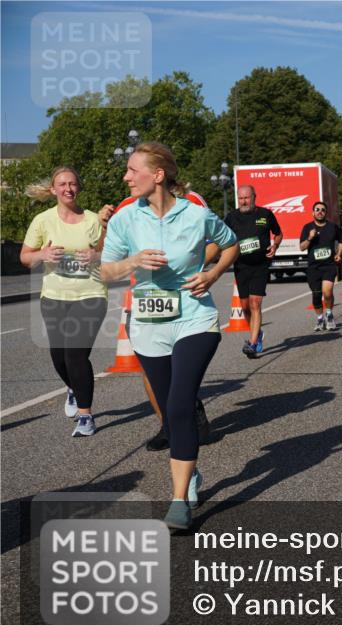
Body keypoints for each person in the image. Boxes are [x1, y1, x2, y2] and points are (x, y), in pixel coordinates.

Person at [100, 141, 238, 529]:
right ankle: (190, 474)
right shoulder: (126, 219)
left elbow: (230, 244)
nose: (126, 176)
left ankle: (179, 501)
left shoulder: (196, 214)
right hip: (148, 323)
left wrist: (213, 273)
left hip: (195, 317)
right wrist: (133, 261)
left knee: (180, 405)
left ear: (157, 175)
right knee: (167, 408)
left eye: (132, 170)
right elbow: (106, 271)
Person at [19, 167, 114, 437]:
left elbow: (111, 252)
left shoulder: (93, 220)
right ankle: (73, 387)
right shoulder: (43, 221)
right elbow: (25, 257)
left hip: (91, 294)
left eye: (72, 184)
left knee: (75, 353)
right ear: (53, 189)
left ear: (79, 188)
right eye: (62, 184)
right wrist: (42, 254)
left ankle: (85, 415)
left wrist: (95, 256)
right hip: (54, 297)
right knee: (59, 356)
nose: (68, 189)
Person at [223, 185, 282, 358]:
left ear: (254, 197)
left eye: (247, 198)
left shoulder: (265, 215)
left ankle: (253, 342)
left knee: (255, 302)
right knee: (245, 307)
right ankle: (257, 333)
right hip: (241, 266)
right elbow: (222, 238)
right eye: (241, 198)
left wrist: (275, 245)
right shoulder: (231, 217)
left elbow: (278, 234)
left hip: (260, 265)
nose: (243, 201)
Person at [299, 201, 342, 331]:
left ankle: (329, 315)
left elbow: (341, 241)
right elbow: (302, 247)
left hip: (329, 265)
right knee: (316, 295)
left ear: (326, 213)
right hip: (313, 267)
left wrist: (339, 253)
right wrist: (310, 237)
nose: (320, 212)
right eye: (317, 210)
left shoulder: (333, 227)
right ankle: (320, 319)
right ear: (313, 213)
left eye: (323, 210)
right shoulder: (307, 227)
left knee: (327, 292)